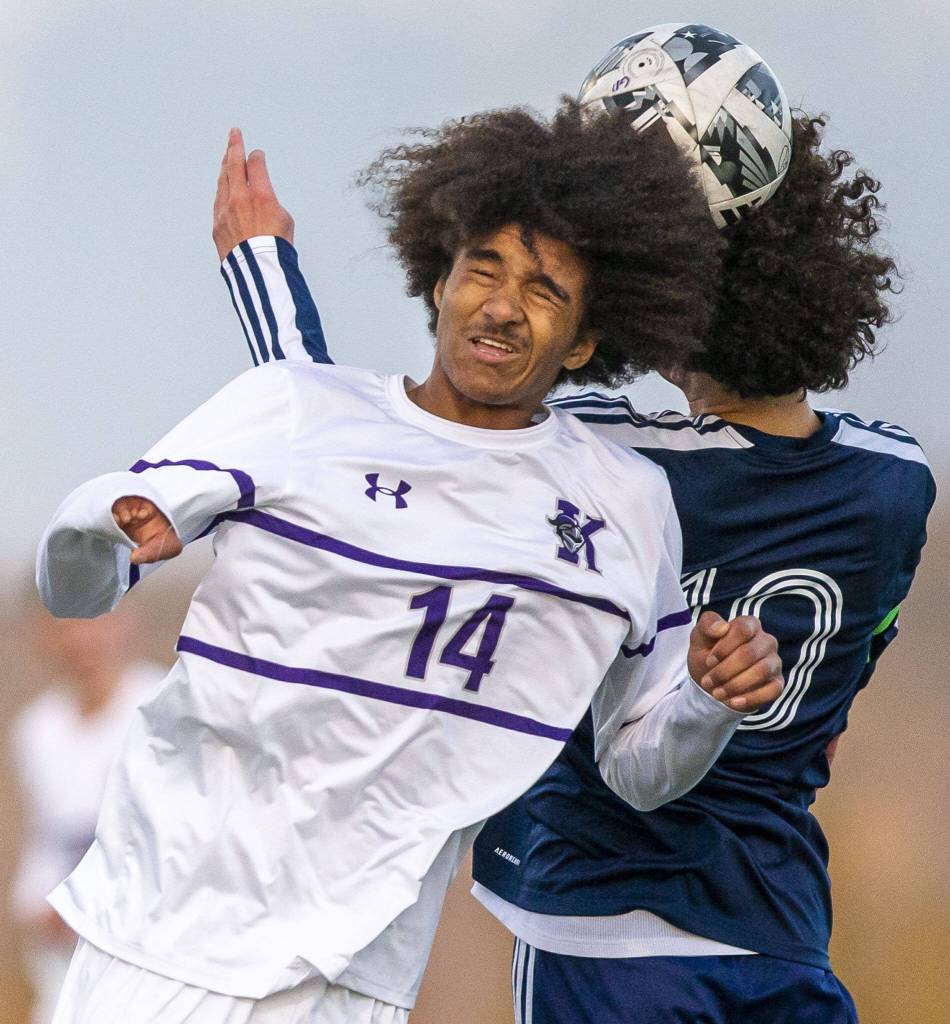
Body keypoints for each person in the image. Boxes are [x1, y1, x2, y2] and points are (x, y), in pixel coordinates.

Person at [37, 103, 783, 1023]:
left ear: (587, 342)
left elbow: (638, 764)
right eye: (483, 268)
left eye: (545, 291)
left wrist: (707, 701)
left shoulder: (624, 505)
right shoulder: (292, 410)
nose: (503, 305)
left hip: (356, 981)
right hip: (156, 941)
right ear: (439, 282)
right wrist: (99, 526)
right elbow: (72, 590)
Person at [213, 107, 934, 1022]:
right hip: (780, 930)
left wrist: (262, 270)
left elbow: (354, 462)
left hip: (598, 927)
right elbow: (848, 685)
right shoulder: (891, 481)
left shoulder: (597, 462)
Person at [10, 606, 164, 1024]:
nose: (81, 640)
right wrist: (45, 905)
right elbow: (45, 846)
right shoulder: (37, 730)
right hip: (65, 976)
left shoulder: (161, 705)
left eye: (92, 619)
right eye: (64, 626)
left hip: (152, 968)